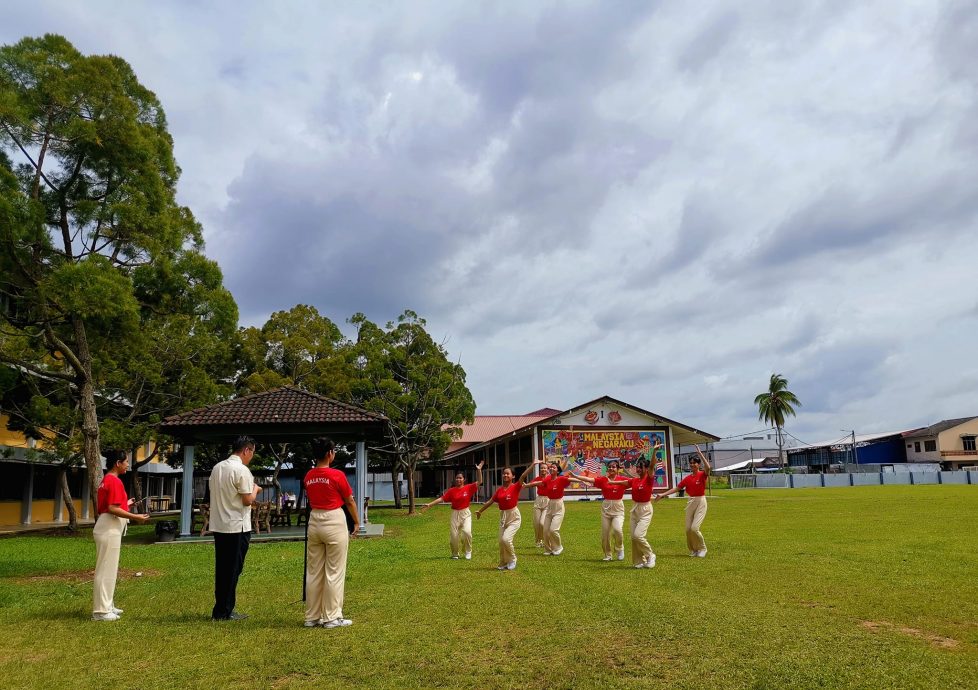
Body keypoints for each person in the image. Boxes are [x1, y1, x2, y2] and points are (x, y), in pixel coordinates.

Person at [303, 437, 360, 628]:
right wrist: (357, 522)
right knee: (334, 571)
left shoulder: (309, 476)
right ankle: (332, 617)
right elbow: (349, 500)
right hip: (333, 520)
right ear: (330, 453)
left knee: (314, 570)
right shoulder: (337, 475)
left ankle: (312, 616)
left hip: (315, 520)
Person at [92, 450, 150, 621]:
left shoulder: (107, 480)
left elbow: (113, 506)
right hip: (109, 526)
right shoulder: (114, 481)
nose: (128, 465)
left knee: (109, 568)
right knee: (105, 569)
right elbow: (111, 508)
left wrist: (127, 504)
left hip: (108, 525)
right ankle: (101, 611)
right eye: (126, 462)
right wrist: (136, 516)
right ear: (117, 463)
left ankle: (107, 605)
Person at [209, 435, 262, 621]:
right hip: (237, 526)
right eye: (252, 452)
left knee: (223, 568)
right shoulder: (242, 470)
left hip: (220, 525)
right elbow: (247, 500)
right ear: (246, 450)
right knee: (233, 570)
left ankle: (221, 608)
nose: (252, 456)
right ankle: (224, 611)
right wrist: (256, 489)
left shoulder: (217, 468)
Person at [475, 462, 540, 570]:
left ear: (513, 476)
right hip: (503, 517)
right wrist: (480, 511)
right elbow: (490, 501)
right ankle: (504, 562)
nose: (505, 475)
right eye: (504, 474)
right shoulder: (499, 490)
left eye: (508, 474)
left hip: (514, 517)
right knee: (501, 541)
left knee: (506, 539)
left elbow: (523, 476)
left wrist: (533, 465)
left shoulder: (516, 486)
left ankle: (512, 559)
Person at [654, 444, 711, 557]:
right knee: (688, 529)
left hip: (701, 502)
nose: (692, 465)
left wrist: (700, 453)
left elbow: (708, 468)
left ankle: (703, 548)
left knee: (695, 528)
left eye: (694, 463)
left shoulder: (702, 475)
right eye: (691, 463)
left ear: (698, 464)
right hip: (691, 502)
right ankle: (694, 550)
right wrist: (662, 495)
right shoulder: (688, 478)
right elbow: (676, 488)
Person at [420, 461, 484, 560]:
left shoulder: (469, 488)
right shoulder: (451, 490)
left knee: (467, 532)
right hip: (455, 514)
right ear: (455, 479)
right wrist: (429, 504)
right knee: (454, 536)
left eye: (460, 478)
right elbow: (442, 499)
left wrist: (479, 470)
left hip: (465, 513)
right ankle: (455, 554)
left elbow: (479, 481)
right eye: (457, 478)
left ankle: (468, 551)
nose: (458, 479)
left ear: (464, 479)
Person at [571, 460, 628, 561]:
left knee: (617, 529)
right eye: (609, 467)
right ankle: (608, 555)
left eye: (614, 467)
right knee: (605, 533)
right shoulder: (603, 480)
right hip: (606, 507)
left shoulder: (622, 479)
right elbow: (589, 479)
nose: (611, 468)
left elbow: (636, 482)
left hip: (618, 507)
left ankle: (620, 548)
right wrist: (576, 476)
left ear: (618, 469)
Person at [628, 458, 657, 569]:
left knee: (638, 535)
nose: (638, 469)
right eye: (637, 467)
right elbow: (624, 482)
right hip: (635, 508)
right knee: (633, 537)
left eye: (641, 467)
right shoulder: (635, 480)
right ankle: (639, 561)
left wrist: (654, 451)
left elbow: (652, 465)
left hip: (645, 509)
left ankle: (650, 555)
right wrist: (611, 481)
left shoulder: (648, 479)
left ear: (646, 469)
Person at [540, 460, 570, 556]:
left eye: (554, 467)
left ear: (557, 471)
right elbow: (539, 483)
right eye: (551, 467)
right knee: (545, 530)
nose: (551, 468)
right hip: (550, 505)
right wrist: (526, 485)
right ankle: (548, 549)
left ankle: (558, 547)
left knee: (553, 530)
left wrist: (583, 480)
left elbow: (571, 480)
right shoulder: (547, 479)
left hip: (559, 505)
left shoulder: (561, 479)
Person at [527, 462, 552, 548]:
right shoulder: (537, 478)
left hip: (547, 501)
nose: (543, 469)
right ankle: (538, 541)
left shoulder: (550, 478)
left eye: (545, 468)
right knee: (536, 523)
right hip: (538, 500)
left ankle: (545, 539)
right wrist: (524, 485)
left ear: (547, 470)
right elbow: (530, 484)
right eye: (541, 468)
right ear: (540, 470)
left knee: (542, 523)